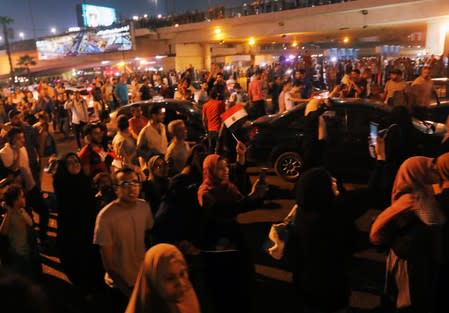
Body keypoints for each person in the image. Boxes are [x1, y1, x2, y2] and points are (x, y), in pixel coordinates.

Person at [369, 156, 446, 312]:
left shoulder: (414, 196)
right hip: (412, 261)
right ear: (418, 173)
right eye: (429, 168)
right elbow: (436, 222)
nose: (433, 171)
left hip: (409, 258)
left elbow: (376, 232)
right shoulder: (415, 198)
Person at [291, 167, 356, 313]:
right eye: (330, 181)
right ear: (320, 189)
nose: (335, 182)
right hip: (330, 288)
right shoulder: (329, 219)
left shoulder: (303, 212)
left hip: (306, 284)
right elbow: (352, 243)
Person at [93, 168, 154, 312]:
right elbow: (109, 264)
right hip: (119, 287)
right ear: (116, 189)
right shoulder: (106, 217)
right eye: (125, 184)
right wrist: (128, 292)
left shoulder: (144, 207)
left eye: (135, 182)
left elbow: (148, 239)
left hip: (142, 279)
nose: (132, 188)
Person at [52, 152, 103, 294]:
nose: (75, 164)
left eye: (76, 161)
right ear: (63, 167)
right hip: (73, 229)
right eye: (70, 162)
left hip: (89, 227)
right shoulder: (62, 184)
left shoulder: (85, 180)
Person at [125, 243, 201, 313]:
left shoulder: (187, 297)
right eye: (170, 278)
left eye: (182, 274)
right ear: (153, 282)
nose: (181, 283)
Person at [0, 184, 42, 281]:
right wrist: (9, 212)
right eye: (22, 197)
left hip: (25, 251)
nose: (25, 198)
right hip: (17, 253)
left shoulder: (23, 211)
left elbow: (31, 224)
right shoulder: (9, 215)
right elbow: (2, 232)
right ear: (15, 201)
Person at [137, 105, 168, 171]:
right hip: (153, 167)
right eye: (161, 114)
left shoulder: (163, 127)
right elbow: (139, 151)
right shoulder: (145, 132)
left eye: (163, 114)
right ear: (154, 115)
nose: (163, 116)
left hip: (164, 164)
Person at [301, 99, 329, 171]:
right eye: (317, 105)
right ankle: (304, 177)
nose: (318, 106)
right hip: (310, 143)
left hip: (314, 142)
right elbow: (317, 113)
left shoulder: (314, 115)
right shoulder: (310, 115)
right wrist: (324, 106)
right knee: (308, 162)